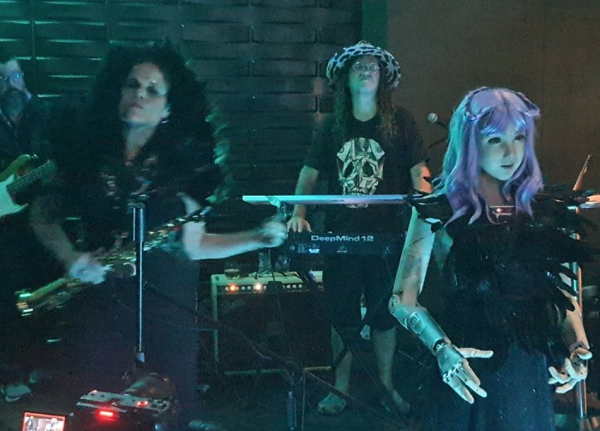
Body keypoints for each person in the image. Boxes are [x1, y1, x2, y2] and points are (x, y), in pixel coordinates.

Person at [29, 41, 285, 430]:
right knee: (93, 407)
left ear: (168, 108)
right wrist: (70, 257)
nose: (139, 95)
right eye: (132, 85)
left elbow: (196, 246)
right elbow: (42, 217)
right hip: (101, 302)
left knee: (171, 410)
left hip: (166, 305)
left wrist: (256, 237)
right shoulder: (85, 156)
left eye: (152, 90)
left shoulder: (186, 168)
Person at [389, 87, 595, 431]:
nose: (511, 152)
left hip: (527, 368)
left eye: (519, 137)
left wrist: (577, 344)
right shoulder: (439, 209)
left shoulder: (541, 210)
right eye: (495, 140)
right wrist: (441, 347)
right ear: (471, 143)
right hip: (464, 362)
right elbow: (401, 299)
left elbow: (561, 293)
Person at [287, 40, 431, 415]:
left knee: (385, 316)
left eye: (372, 67)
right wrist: (299, 212)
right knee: (342, 316)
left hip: (388, 236)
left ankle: (386, 387)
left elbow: (419, 171)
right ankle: (341, 388)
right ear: (346, 79)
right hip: (341, 236)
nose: (366, 71)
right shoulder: (331, 127)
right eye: (358, 67)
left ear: (382, 78)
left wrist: (426, 211)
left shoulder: (401, 122)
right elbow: (309, 173)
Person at [0, 47, 59, 403]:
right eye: (2, 78)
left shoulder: (44, 115)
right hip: (5, 230)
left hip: (40, 221)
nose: (10, 84)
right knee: (7, 300)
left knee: (42, 294)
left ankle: (37, 365)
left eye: (15, 76)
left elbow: (57, 159)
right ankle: (11, 375)